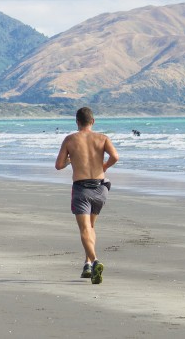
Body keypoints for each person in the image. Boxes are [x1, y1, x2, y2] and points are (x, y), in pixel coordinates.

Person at [55, 107, 119, 284]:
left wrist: (71, 159)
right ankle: (87, 264)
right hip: (100, 188)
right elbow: (115, 156)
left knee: (84, 230)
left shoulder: (70, 139)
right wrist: (104, 167)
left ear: (77, 122)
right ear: (93, 121)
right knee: (91, 227)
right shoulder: (103, 138)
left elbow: (59, 165)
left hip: (82, 189)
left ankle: (96, 260)